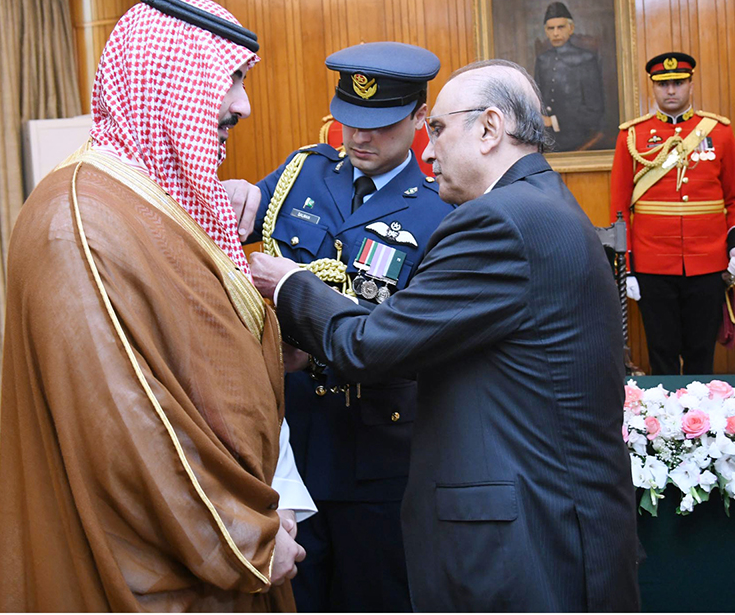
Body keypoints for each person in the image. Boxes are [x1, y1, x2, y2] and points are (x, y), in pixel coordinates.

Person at [249, 59, 641, 612]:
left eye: (436, 131)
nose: (426, 152)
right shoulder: (541, 205)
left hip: (524, 537)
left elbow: (370, 345)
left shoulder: (499, 223)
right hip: (552, 517)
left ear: (488, 129)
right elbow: (457, 354)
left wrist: (289, 282)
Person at [0, 0, 311, 612]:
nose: (243, 106)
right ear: (169, 82)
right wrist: (244, 538)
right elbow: (126, 422)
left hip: (210, 533)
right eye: (232, 80)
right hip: (166, 560)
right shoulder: (80, 222)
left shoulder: (141, 201)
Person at [224, 41, 453, 612]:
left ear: (420, 120)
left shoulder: (440, 211)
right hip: (288, 441)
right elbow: (244, 222)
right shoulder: (305, 172)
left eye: (379, 125)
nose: (359, 138)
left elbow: (419, 339)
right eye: (349, 121)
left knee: (375, 592)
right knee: (295, 598)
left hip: (375, 449)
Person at [610, 51, 735, 375]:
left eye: (678, 83)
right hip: (653, 264)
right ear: (653, 87)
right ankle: (663, 423)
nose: (670, 91)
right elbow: (620, 208)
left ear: (691, 84)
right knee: (661, 351)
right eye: (663, 84)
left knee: (701, 351)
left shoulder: (719, 133)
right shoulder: (632, 136)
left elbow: (733, 199)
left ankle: (704, 423)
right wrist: (628, 266)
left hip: (708, 262)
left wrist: (734, 246)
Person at [534, 1, 605, 151]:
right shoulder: (542, 60)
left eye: (560, 27)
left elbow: (594, 109)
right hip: (546, 139)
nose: (555, 33)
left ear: (571, 28)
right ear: (545, 31)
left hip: (577, 137)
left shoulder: (586, 59)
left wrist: (554, 121)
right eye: (550, 28)